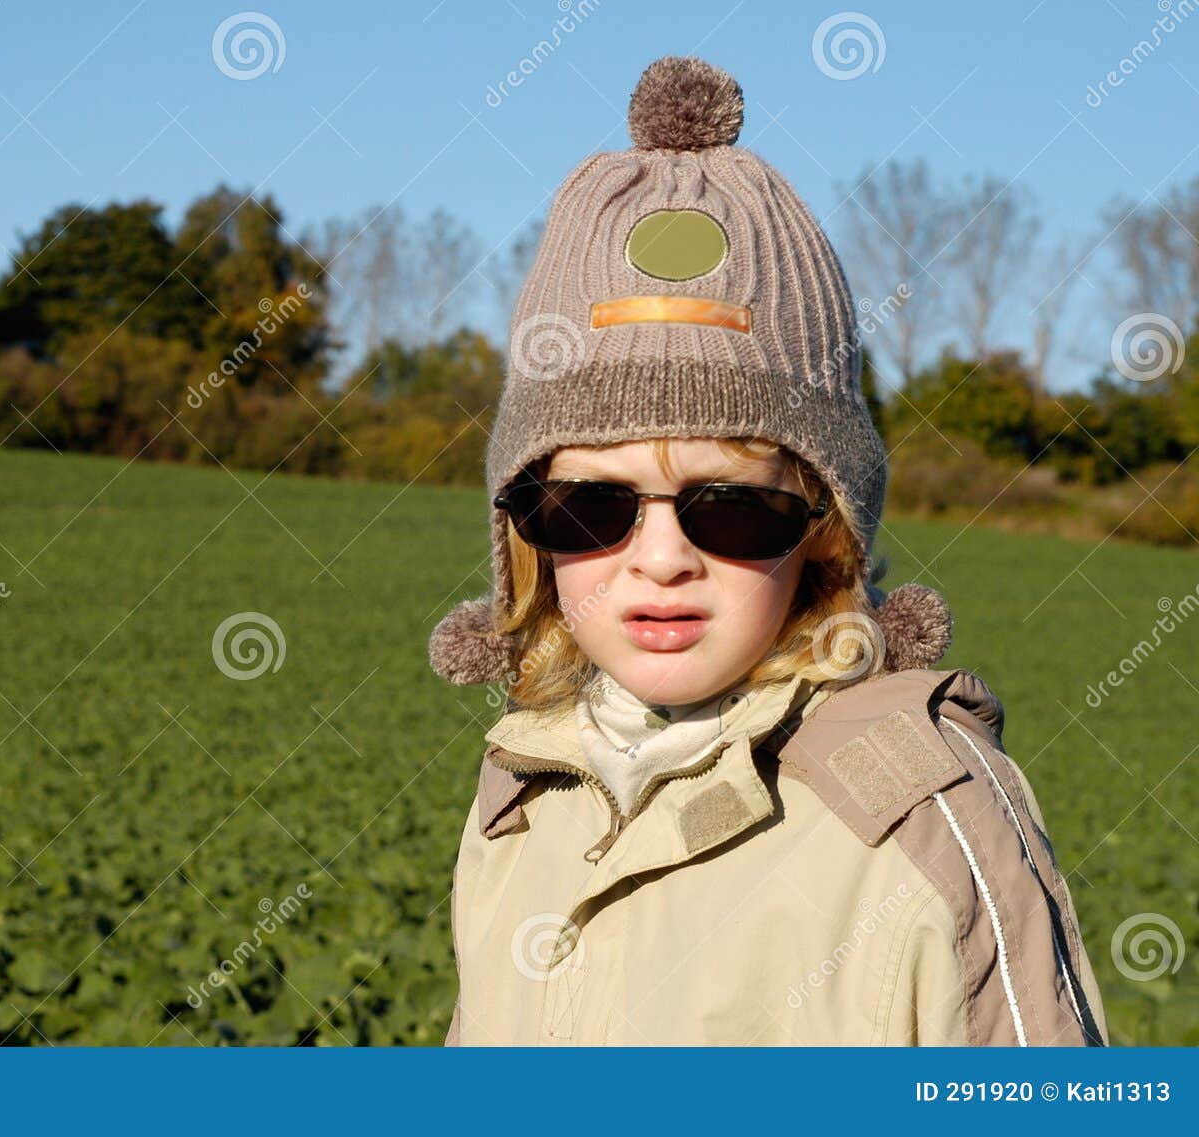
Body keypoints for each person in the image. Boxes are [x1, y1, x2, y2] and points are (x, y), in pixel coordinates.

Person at [428, 55, 1107, 1047]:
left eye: (732, 511)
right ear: (523, 534)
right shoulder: (522, 792)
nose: (659, 560)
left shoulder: (921, 812)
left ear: (824, 530)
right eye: (586, 509)